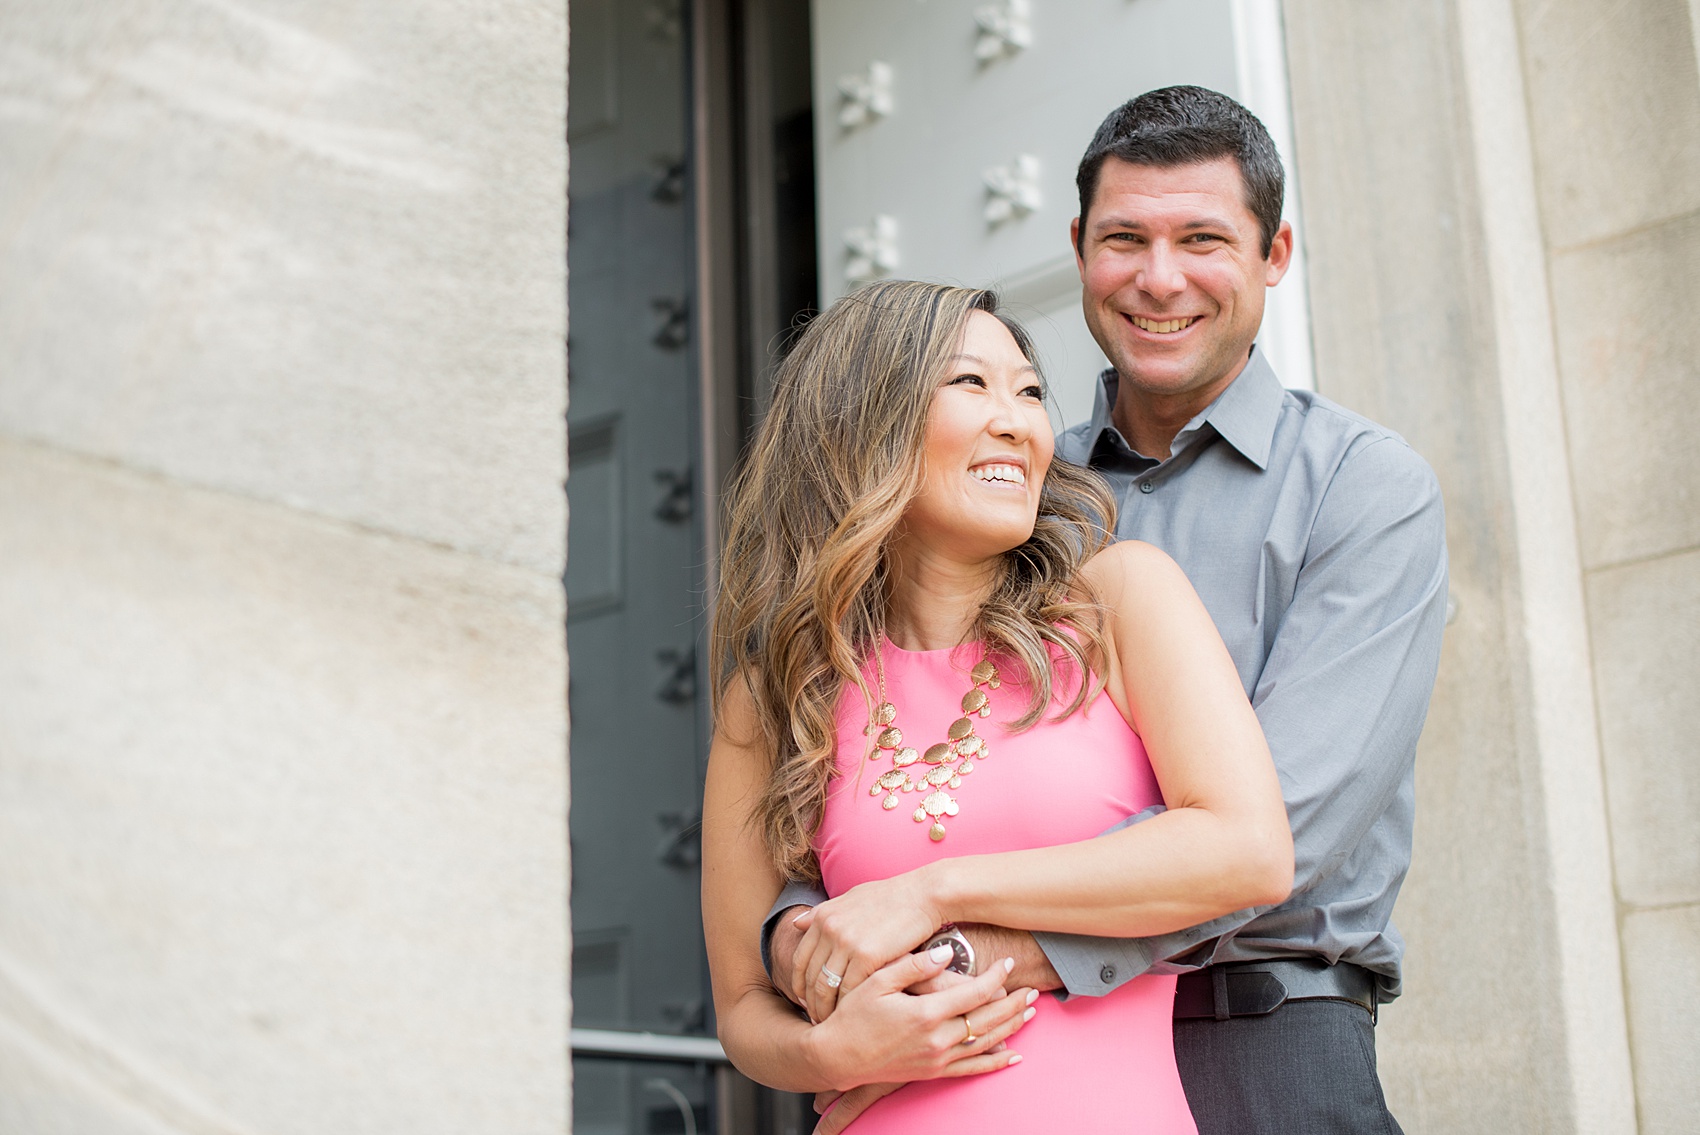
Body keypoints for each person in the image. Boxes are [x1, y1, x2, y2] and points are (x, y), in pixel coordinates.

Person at [765, 86, 1448, 1135]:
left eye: (1202, 239)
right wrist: (804, 946)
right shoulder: (997, 487)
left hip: (1259, 1036)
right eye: (1123, 238)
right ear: (1079, 246)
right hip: (977, 1053)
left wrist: (979, 949)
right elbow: (863, 750)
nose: (1158, 277)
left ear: (1274, 255)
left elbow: (1284, 831)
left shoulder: (1361, 487)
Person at [701, 279, 1293, 1132]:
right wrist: (835, 1053)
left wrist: (934, 892)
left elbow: (1247, 850)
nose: (1019, 421)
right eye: (971, 384)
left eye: (1029, 392)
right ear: (863, 423)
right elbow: (744, 1010)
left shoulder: (1120, 600)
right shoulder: (773, 696)